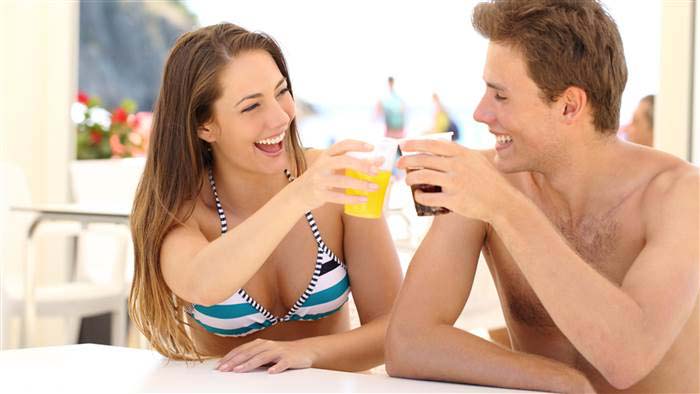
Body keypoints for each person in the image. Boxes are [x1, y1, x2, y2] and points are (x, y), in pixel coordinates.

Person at [386, 1, 698, 393]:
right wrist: (560, 380)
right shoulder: (488, 181)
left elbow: (627, 357)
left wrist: (505, 208)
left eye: (500, 96)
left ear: (569, 106)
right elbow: (408, 342)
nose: (481, 114)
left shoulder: (680, 195)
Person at [129, 23, 403, 374]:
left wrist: (306, 352)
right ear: (204, 126)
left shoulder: (338, 184)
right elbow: (201, 284)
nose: (279, 117)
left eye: (281, 92)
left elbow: (393, 330)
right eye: (251, 107)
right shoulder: (183, 207)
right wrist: (298, 195)